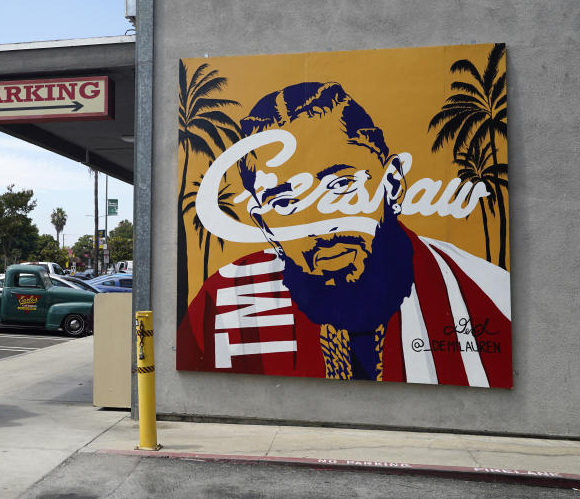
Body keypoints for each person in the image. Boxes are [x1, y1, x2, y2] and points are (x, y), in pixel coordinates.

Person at [178, 81, 511, 387]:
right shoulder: (224, 301)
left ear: (392, 184)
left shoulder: (488, 297)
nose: (322, 228)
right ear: (264, 225)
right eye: (284, 202)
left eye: (340, 186)